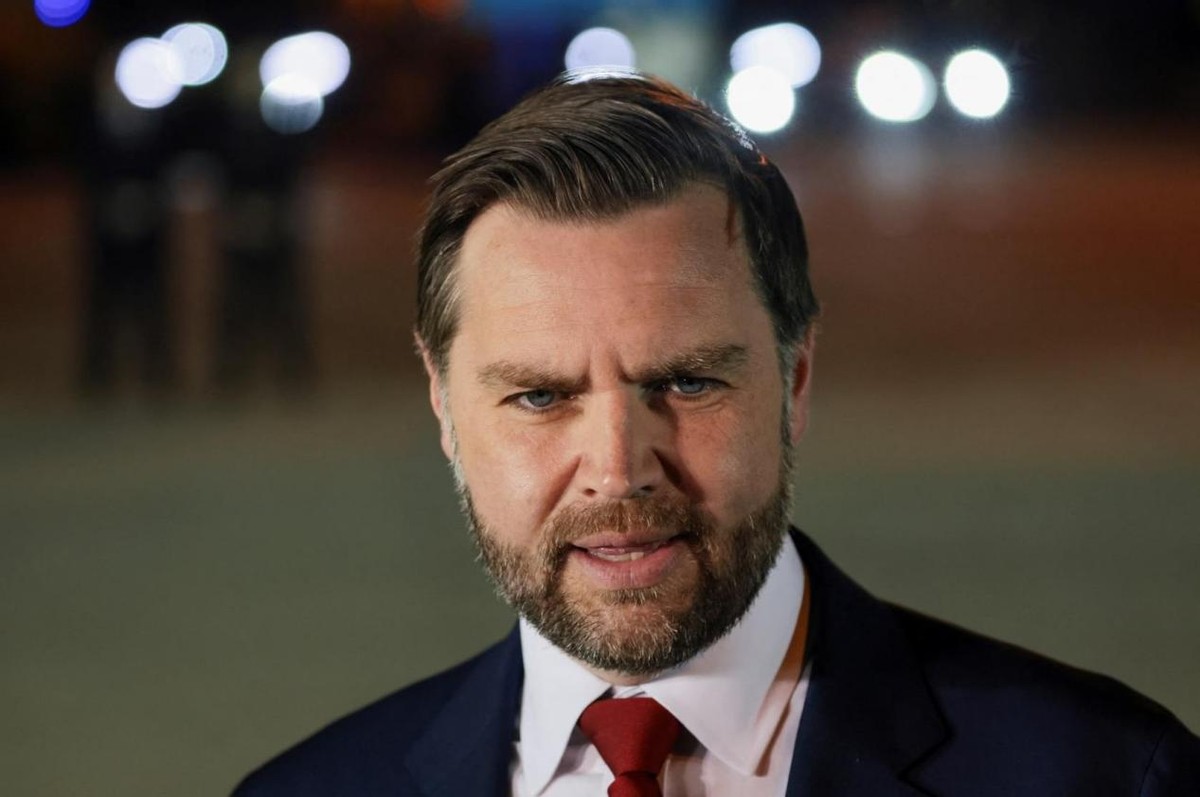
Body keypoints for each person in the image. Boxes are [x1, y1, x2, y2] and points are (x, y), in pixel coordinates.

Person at [232, 72, 1199, 796]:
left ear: (796, 377)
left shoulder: (1112, 775)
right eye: (539, 396)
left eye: (687, 381)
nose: (617, 468)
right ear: (443, 405)